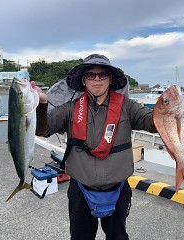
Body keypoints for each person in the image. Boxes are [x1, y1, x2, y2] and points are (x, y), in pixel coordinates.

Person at [32, 54, 157, 240]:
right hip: (80, 188)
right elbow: (43, 129)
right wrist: (41, 105)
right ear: (84, 80)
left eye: (102, 74)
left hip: (118, 187)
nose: (97, 79)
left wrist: (167, 109)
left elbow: (152, 124)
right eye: (91, 75)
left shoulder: (128, 107)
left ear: (110, 79)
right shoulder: (69, 108)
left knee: (118, 236)